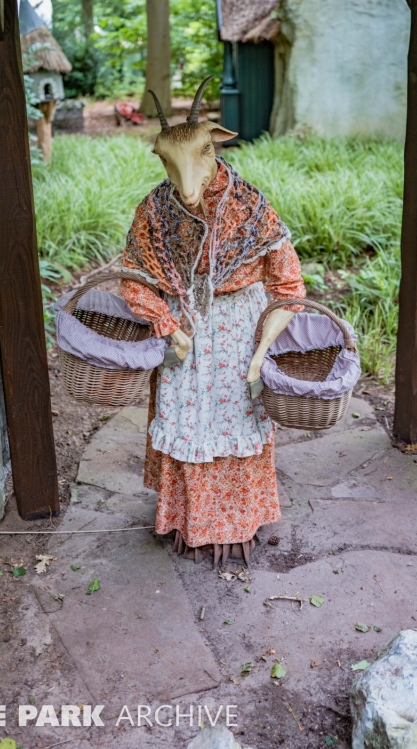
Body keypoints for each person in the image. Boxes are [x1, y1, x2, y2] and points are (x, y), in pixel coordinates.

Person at [120, 79, 305, 566]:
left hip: (238, 329)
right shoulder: (154, 212)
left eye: (200, 155)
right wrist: (167, 324)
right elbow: (135, 279)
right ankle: (189, 523)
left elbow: (289, 286)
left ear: (216, 145)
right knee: (185, 419)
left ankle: (239, 524)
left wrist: (261, 353)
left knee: (238, 418)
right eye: (167, 161)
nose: (184, 183)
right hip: (184, 329)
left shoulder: (250, 209)